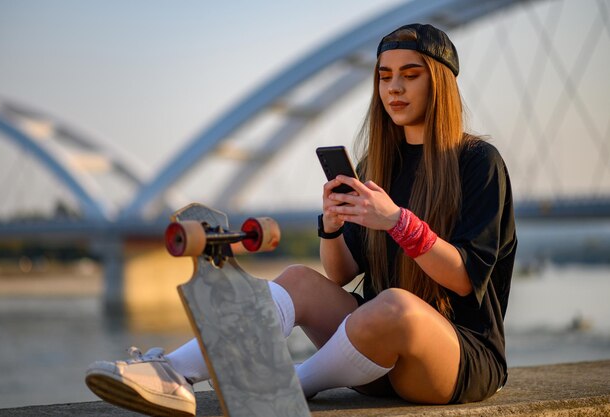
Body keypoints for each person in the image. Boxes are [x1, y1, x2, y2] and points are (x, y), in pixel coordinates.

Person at [85, 23, 516, 415]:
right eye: (384, 77)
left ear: (438, 82)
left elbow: (464, 278)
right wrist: (331, 223)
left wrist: (397, 222)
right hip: (374, 354)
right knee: (297, 278)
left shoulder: (478, 162)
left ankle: (288, 386)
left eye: (410, 74)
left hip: (455, 358)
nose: (394, 89)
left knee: (394, 307)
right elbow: (341, 273)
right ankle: (171, 373)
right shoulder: (377, 165)